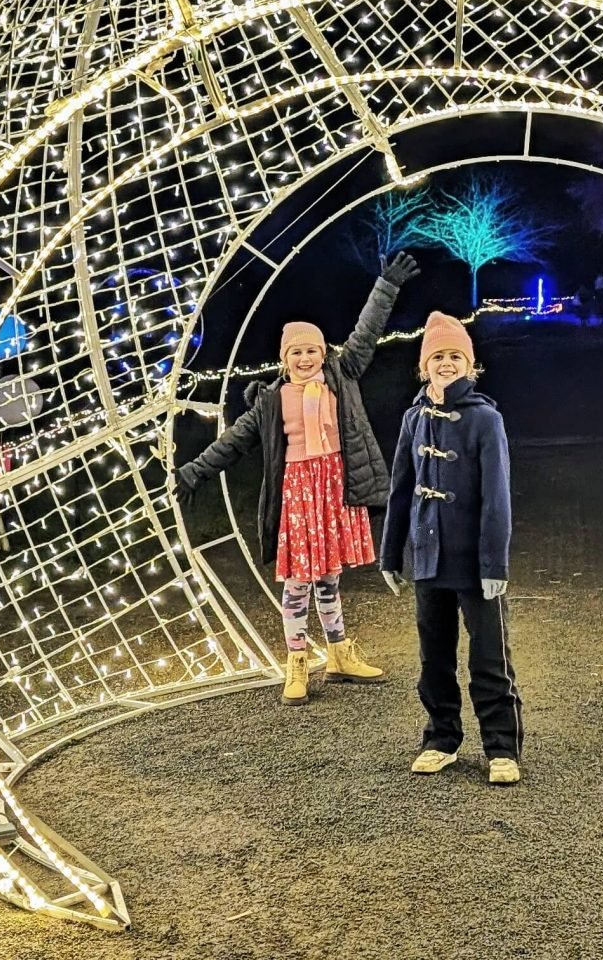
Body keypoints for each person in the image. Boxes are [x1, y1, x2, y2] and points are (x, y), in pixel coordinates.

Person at [175, 253, 420, 706]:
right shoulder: (271, 401)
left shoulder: (340, 378)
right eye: (296, 353)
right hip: (301, 492)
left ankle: (339, 651)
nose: (306, 358)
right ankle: (297, 659)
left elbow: (365, 334)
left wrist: (386, 285)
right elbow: (234, 442)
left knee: (328, 575)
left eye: (312, 350)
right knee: (298, 581)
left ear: (323, 353)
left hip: (335, 488)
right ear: (285, 360)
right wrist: (195, 470)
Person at [380, 312, 523, 784]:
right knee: (433, 654)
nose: (446, 363)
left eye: (455, 356)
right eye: (437, 356)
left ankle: (502, 746)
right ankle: (441, 737)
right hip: (426, 554)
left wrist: (494, 560)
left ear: (470, 364)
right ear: (424, 366)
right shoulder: (412, 419)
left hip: (473, 559)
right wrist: (390, 553)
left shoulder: (486, 418)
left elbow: (496, 495)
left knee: (489, 655)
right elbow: (402, 487)